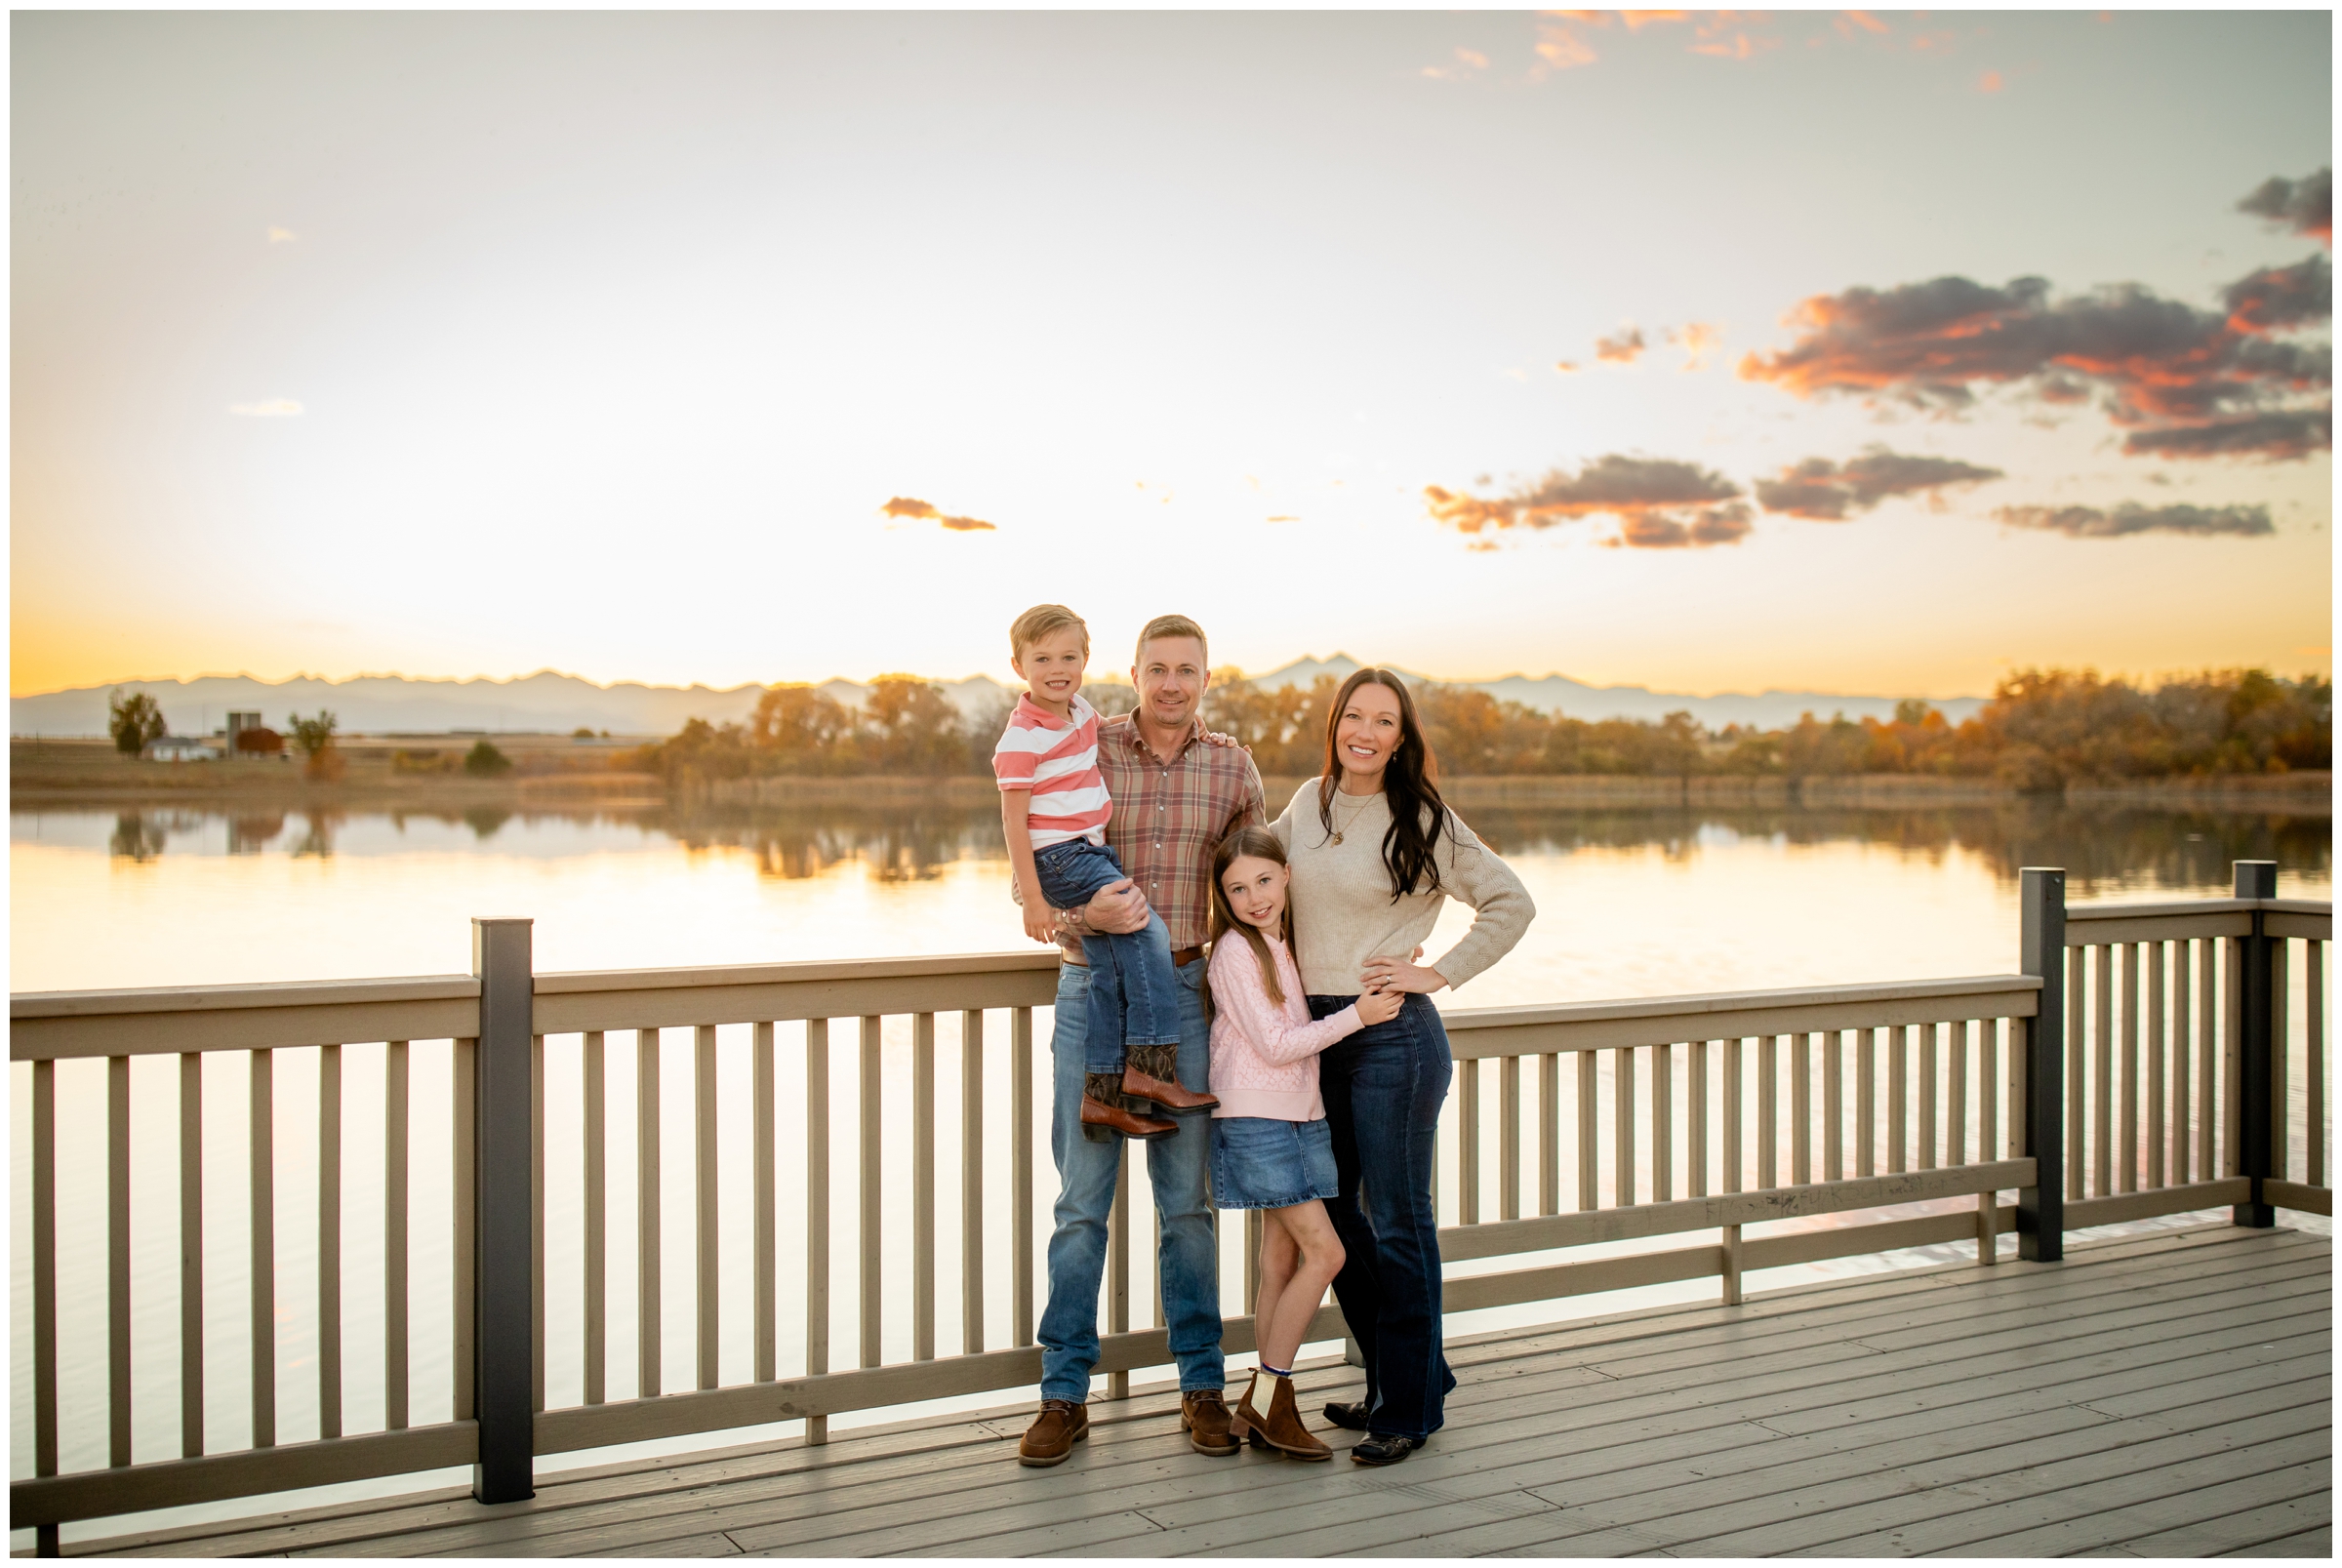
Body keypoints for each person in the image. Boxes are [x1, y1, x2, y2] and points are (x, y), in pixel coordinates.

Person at [1013, 615, 1268, 1467]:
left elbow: (1258, 894)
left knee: (1186, 1204)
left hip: (1189, 998)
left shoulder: (1233, 766)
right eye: (1155, 668)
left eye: (1185, 669)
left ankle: (1201, 1384)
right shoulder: (1087, 744)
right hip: (1094, 993)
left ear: (1206, 676)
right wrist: (1082, 915)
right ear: (1131, 672)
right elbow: (1040, 865)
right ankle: (1063, 1392)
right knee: (1083, 1203)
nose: (1169, 683)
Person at [1272, 666, 1534, 1466]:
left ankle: (1410, 1409)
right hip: (1319, 1033)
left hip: (1393, 1037)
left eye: (1384, 721)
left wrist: (1438, 971)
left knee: (1396, 1218)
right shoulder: (1305, 804)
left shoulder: (1421, 813)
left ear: (1401, 735)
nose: (1366, 731)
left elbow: (1510, 902)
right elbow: (1257, 894)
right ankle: (1404, 1374)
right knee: (1336, 1218)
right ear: (1336, 723)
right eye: (1355, 715)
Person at [1204, 825, 1402, 1461]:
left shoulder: (1283, 940)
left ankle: (1261, 1405)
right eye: (1238, 888)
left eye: (1263, 879)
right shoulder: (1236, 951)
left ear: (1286, 875)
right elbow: (1275, 1044)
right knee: (1329, 1253)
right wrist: (1358, 1016)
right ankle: (1271, 1395)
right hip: (1259, 1122)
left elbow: (1352, 936)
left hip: (1297, 1117)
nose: (1254, 896)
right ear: (1224, 898)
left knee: (1281, 1262)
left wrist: (1396, 953)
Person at [995, 604, 1220, 1143]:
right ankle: (1150, 1066)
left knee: (1109, 972)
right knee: (1146, 928)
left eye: (1068, 656)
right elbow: (1013, 824)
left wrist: (1209, 736)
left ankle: (1102, 1098)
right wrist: (1037, 903)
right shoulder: (1022, 738)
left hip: (1095, 863)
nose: (1057, 667)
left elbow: (1257, 877)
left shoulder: (1082, 718)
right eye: (1043, 658)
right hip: (1066, 855)